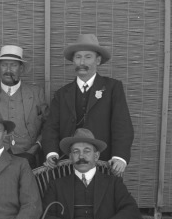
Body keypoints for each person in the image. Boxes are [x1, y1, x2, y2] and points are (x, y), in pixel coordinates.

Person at [41, 34, 134, 176]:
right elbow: (51, 128)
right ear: (73, 61)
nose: (82, 62)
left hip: (104, 164)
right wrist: (51, 153)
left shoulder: (112, 88)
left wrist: (119, 157)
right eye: (78, 57)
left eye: (88, 57)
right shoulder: (61, 94)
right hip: (68, 165)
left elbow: (122, 125)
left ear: (98, 60)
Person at [0, 45, 48, 168]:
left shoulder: (36, 93)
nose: (8, 69)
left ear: (21, 69)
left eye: (13, 65)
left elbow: (48, 126)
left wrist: (35, 148)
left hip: (28, 157)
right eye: (4, 65)